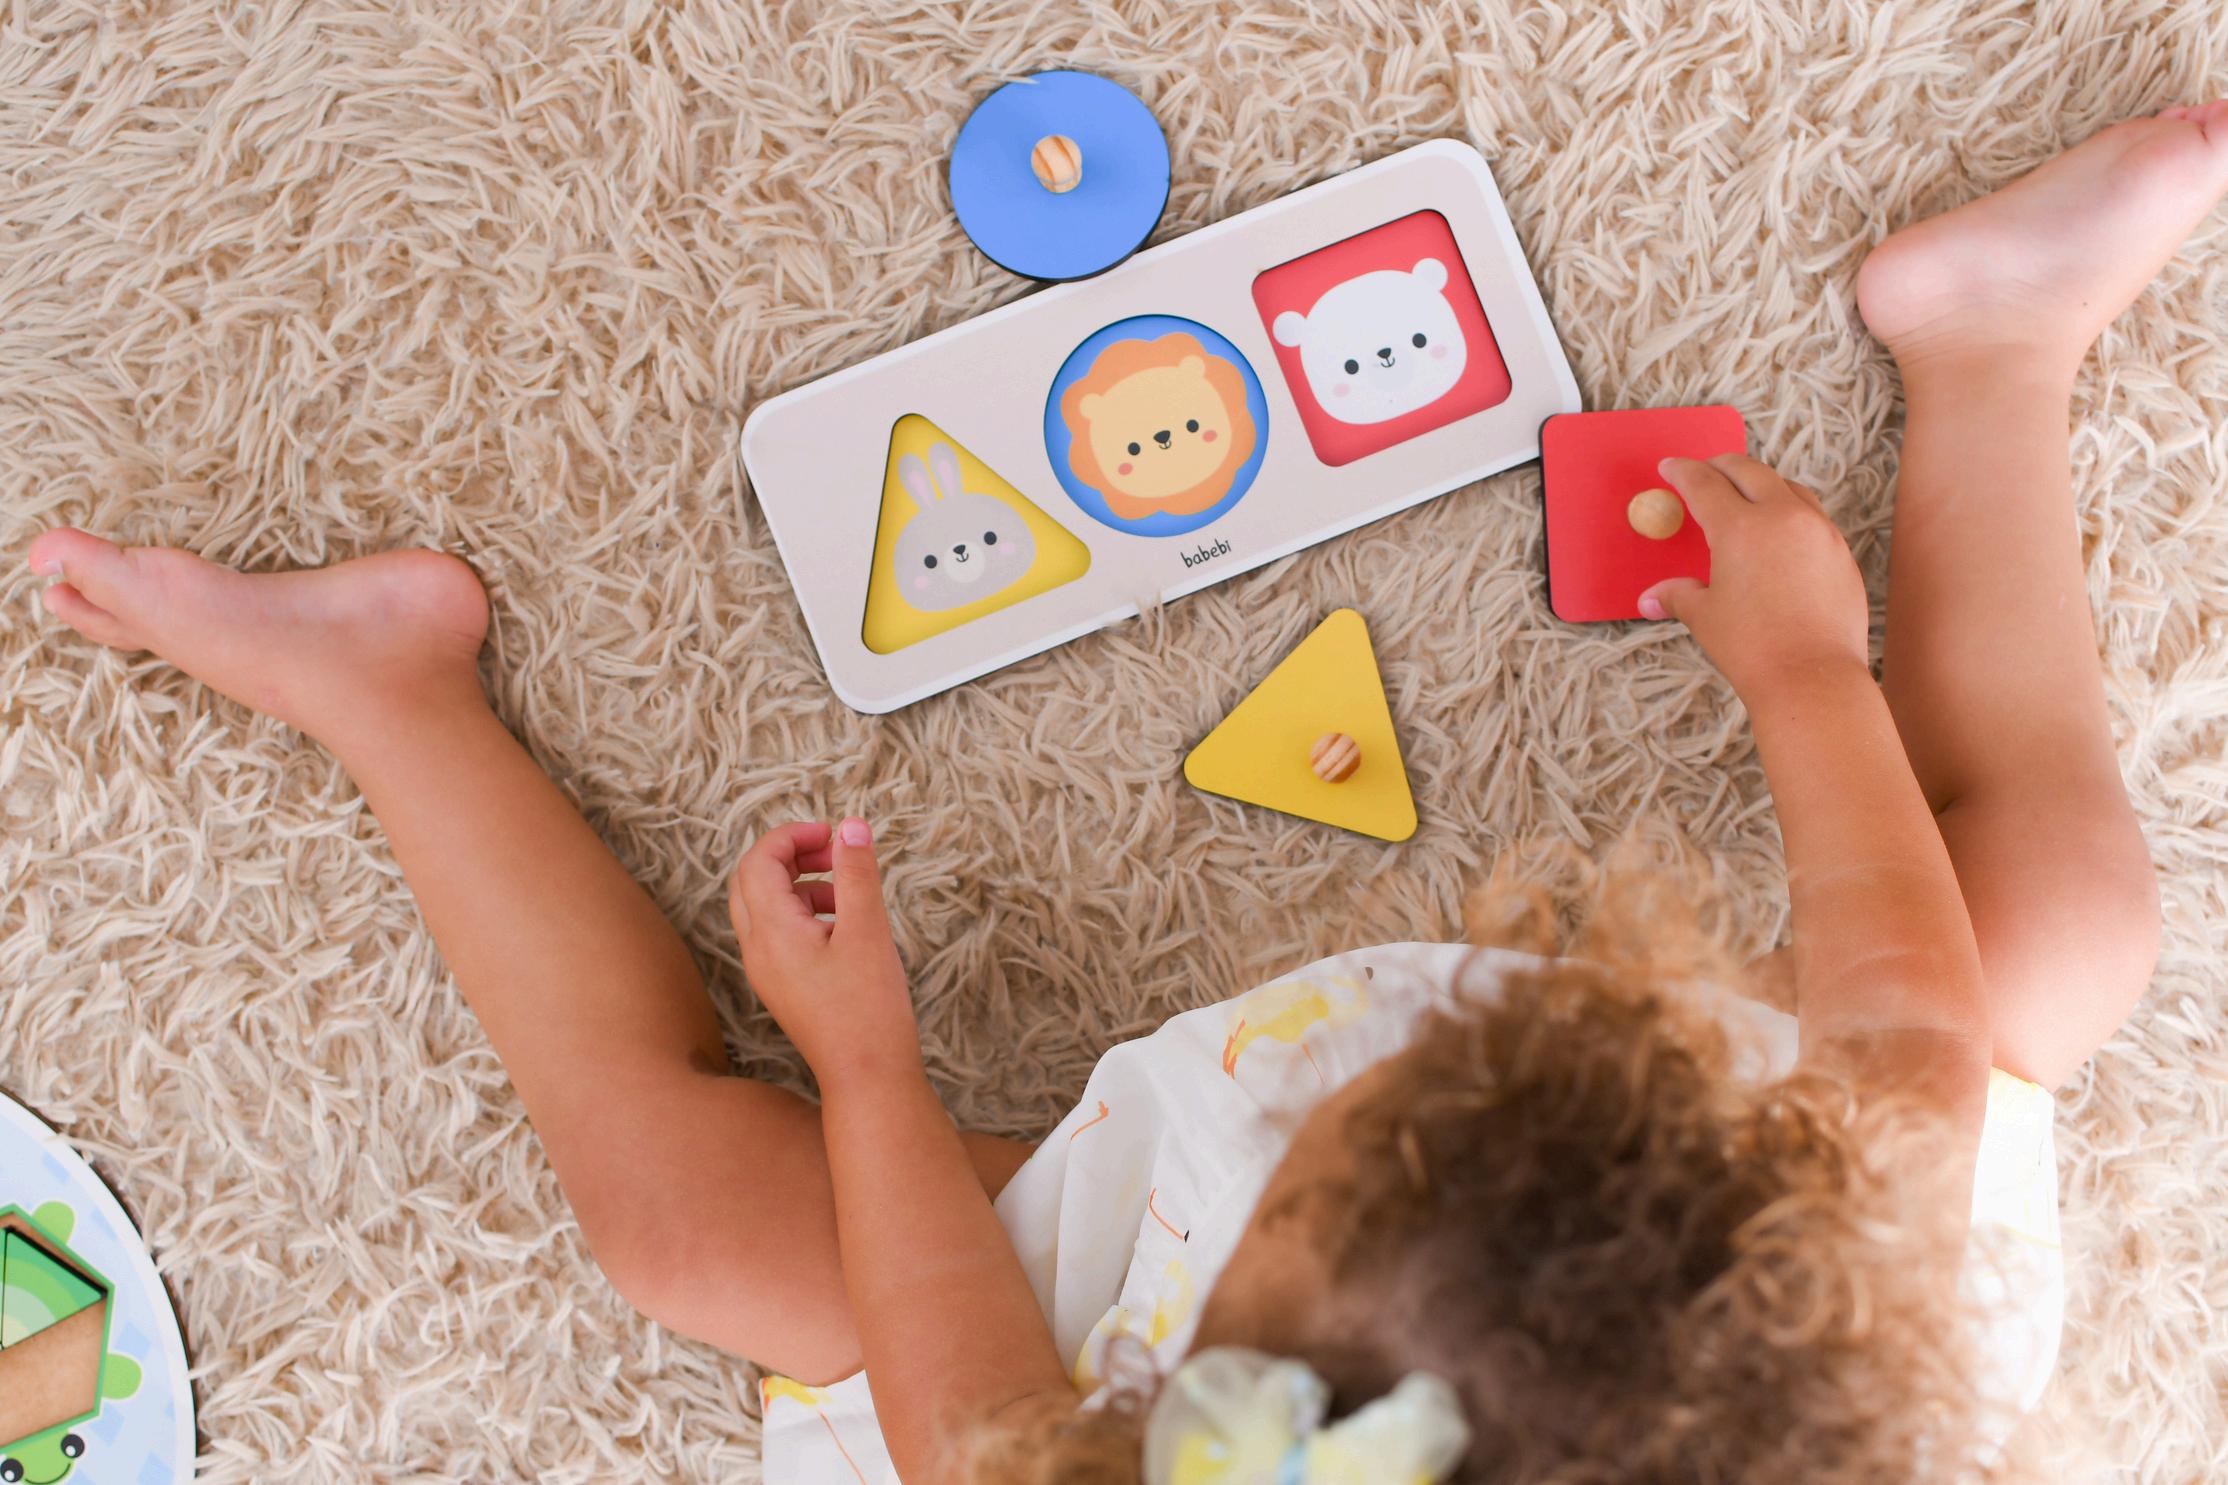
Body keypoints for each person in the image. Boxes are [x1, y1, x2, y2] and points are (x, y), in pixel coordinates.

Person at [26, 101, 2225, 1483]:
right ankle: (1992, 355)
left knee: (680, 1226)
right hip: (1755, 1194)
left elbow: (980, 1405)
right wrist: (1805, 667)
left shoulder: (1115, 1453)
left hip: (1092, 1280)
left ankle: (393, 699)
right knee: (2056, 929)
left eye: (1309, 1186)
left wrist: (870, 1077)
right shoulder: (1875, 1232)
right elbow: (1907, 1008)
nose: (1327, 1093)